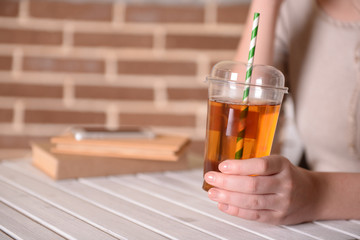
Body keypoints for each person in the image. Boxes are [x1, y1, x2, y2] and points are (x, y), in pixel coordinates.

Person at [204, 0, 360, 225]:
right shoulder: (298, 11)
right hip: (322, 226)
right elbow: (243, 123)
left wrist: (319, 195)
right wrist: (265, 3)